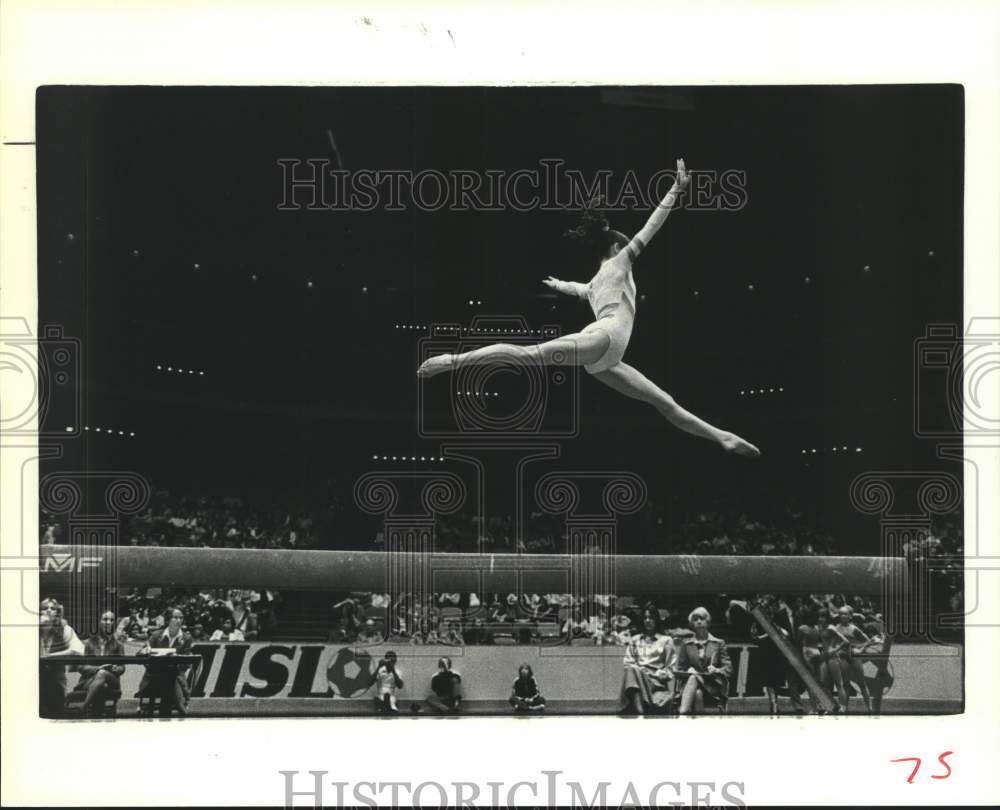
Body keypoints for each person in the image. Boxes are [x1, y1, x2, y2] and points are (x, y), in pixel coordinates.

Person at [417, 159, 760, 459]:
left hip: (607, 359)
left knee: (664, 401)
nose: (631, 249)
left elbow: (579, 289)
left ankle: (722, 437)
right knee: (529, 355)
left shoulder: (598, 281)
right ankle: (453, 361)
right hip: (605, 338)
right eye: (625, 245)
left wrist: (559, 285)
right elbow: (651, 227)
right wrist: (675, 190)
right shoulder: (620, 262)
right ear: (615, 246)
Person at [675, 607, 732, 715]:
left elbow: (729, 669)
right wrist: (688, 670)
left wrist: (717, 670)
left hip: (712, 687)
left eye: (702, 618)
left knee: (694, 677)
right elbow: (679, 669)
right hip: (690, 688)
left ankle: (682, 713)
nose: (699, 621)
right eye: (695, 619)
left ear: (708, 621)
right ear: (692, 624)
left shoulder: (719, 643)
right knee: (697, 693)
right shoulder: (686, 644)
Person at [136, 608, 193, 716]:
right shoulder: (156, 635)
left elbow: (186, 663)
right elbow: (140, 654)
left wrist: (177, 660)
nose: (179, 620)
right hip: (155, 675)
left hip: (176, 675)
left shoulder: (186, 638)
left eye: (181, 618)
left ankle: (177, 710)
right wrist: (145, 650)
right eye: (175, 617)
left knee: (172, 677)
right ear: (168, 620)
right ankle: (182, 711)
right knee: (169, 681)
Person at [618, 607, 675, 715]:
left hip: (655, 681)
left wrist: (659, 674)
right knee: (632, 670)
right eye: (645, 618)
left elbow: (670, 668)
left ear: (656, 620)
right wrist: (640, 671)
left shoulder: (666, 640)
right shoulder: (635, 639)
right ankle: (641, 712)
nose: (647, 621)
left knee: (633, 673)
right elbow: (627, 662)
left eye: (651, 618)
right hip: (638, 676)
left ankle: (640, 712)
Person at [73, 610, 126, 716]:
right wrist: (98, 669)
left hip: (112, 680)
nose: (108, 622)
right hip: (88, 680)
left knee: (103, 674)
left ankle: (83, 709)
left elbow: (122, 667)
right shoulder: (88, 643)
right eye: (105, 619)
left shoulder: (118, 645)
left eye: (111, 620)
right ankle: (95, 715)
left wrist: (116, 669)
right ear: (99, 622)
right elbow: (80, 667)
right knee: (102, 685)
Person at [38, 598, 84, 717]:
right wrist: (43, 627)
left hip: (57, 681)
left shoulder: (65, 629)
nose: (48, 611)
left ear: (57, 613)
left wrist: (50, 656)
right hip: (34, 680)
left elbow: (78, 650)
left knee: (55, 712)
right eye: (45, 608)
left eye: (52, 609)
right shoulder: (32, 629)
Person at [829, 605, 874, 713]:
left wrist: (860, 650)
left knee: (861, 682)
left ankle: (870, 708)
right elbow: (833, 644)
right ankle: (844, 708)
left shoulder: (854, 628)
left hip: (854, 657)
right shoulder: (836, 628)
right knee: (845, 683)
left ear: (850, 616)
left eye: (845, 614)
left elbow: (868, 641)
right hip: (843, 657)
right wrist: (835, 650)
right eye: (840, 614)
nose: (842, 616)